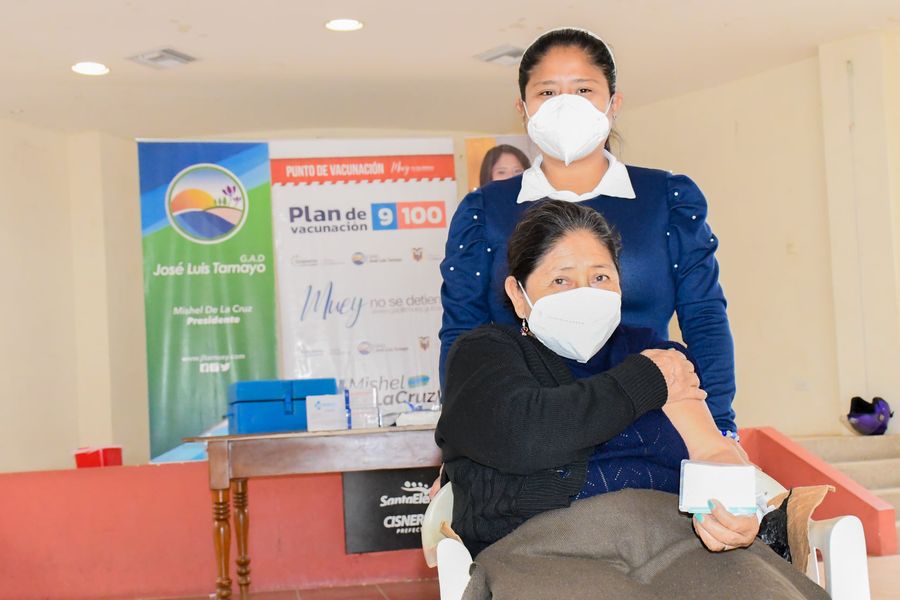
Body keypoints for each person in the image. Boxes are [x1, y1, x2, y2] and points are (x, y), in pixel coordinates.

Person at [436, 202, 827, 600]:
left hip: (684, 544)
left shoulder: (657, 353)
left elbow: (711, 450)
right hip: (545, 552)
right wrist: (646, 380)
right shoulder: (486, 354)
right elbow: (527, 434)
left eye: (600, 276)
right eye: (561, 280)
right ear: (518, 295)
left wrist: (738, 514)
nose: (585, 294)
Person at [439, 27, 738, 436]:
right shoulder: (485, 211)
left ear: (613, 103)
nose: (566, 105)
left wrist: (718, 430)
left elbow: (704, 318)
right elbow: (462, 335)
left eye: (583, 90)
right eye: (547, 92)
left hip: (652, 422)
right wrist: (460, 437)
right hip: (528, 429)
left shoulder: (666, 199)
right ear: (523, 108)